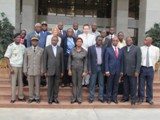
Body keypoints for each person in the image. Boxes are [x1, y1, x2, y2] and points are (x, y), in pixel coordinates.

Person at [4, 33, 26, 103]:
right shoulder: (10, 46)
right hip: (13, 66)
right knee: (13, 83)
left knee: (20, 83)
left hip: (20, 66)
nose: (18, 38)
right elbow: (6, 57)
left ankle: (20, 97)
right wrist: (10, 68)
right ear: (14, 38)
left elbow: (25, 57)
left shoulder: (23, 46)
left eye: (19, 37)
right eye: (17, 37)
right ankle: (13, 98)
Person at [138, 37, 160, 105]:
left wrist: (152, 65)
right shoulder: (141, 48)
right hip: (142, 68)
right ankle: (141, 98)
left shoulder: (156, 49)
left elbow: (157, 58)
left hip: (150, 68)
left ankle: (149, 99)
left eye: (146, 40)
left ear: (150, 41)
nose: (144, 41)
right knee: (141, 84)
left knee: (149, 84)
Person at [43, 36, 64, 104]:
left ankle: (55, 98)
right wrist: (45, 71)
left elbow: (62, 61)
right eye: (53, 40)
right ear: (51, 41)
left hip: (58, 70)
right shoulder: (47, 48)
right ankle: (49, 98)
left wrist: (62, 71)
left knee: (56, 86)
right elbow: (45, 60)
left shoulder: (60, 49)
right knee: (50, 85)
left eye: (55, 40)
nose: (54, 41)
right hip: (50, 70)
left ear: (57, 41)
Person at [23, 35, 44, 103]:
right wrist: (25, 70)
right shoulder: (27, 49)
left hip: (38, 70)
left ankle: (37, 97)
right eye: (33, 41)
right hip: (30, 70)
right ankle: (31, 97)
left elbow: (42, 62)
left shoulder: (41, 50)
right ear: (31, 41)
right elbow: (25, 61)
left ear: (38, 41)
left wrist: (42, 70)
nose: (34, 42)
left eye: (36, 41)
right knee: (30, 85)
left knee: (37, 85)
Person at [121, 37, 141, 105]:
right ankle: (125, 98)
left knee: (133, 86)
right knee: (125, 85)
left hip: (133, 71)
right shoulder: (123, 49)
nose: (128, 41)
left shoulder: (137, 48)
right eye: (127, 40)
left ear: (132, 41)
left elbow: (139, 61)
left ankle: (133, 99)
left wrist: (137, 71)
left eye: (129, 40)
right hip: (125, 71)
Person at [68, 37, 87, 104]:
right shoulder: (72, 50)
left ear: (82, 43)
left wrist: (84, 71)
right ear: (75, 43)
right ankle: (73, 98)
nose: (79, 43)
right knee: (74, 83)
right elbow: (69, 60)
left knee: (79, 84)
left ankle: (79, 98)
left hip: (80, 69)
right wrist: (69, 69)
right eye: (78, 41)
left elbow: (85, 62)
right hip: (73, 69)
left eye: (80, 41)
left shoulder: (84, 51)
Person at [105, 36, 123, 104]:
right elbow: (106, 61)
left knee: (116, 85)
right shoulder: (108, 49)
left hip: (118, 71)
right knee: (109, 85)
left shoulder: (120, 50)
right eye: (114, 40)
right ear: (112, 41)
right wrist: (106, 70)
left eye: (116, 40)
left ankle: (114, 98)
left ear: (118, 41)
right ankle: (108, 98)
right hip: (110, 71)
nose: (115, 41)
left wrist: (121, 71)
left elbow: (121, 62)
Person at [88, 36, 105, 103]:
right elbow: (89, 59)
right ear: (96, 40)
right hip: (93, 68)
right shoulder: (91, 48)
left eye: (101, 40)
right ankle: (91, 98)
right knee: (92, 83)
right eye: (98, 40)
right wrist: (89, 69)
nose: (99, 41)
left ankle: (100, 97)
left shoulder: (104, 48)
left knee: (101, 84)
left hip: (101, 68)